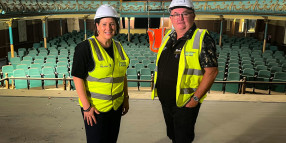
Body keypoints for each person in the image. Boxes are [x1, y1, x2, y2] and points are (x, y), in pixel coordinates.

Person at [151, 0, 218, 142]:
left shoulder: (202, 38)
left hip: (185, 102)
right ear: (171, 18)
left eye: (184, 14)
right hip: (166, 101)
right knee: (173, 135)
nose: (180, 18)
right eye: (175, 14)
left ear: (193, 16)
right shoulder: (168, 36)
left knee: (183, 138)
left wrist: (195, 99)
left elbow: (211, 72)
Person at [71, 4, 130, 143]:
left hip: (116, 107)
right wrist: (86, 108)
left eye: (112, 24)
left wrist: (126, 98)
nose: (108, 28)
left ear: (116, 25)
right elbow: (77, 77)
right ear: (97, 25)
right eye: (104, 24)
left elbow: (123, 75)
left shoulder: (118, 47)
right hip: (95, 110)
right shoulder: (84, 48)